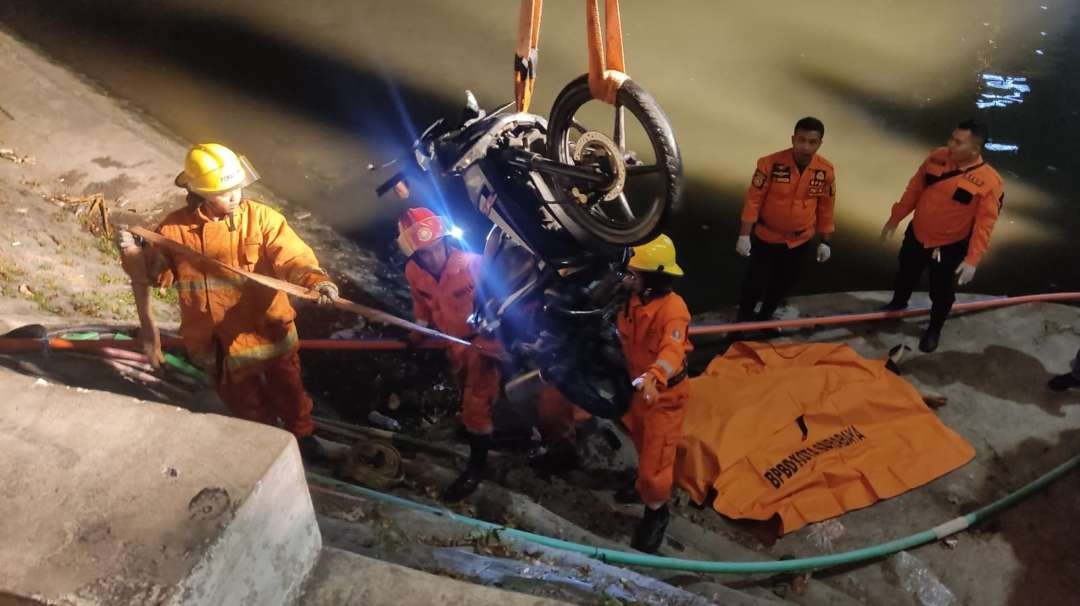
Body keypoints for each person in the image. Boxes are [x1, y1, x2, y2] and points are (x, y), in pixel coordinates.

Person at [116, 143, 338, 461]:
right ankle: (266, 446)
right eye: (224, 192)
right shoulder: (175, 230)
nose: (234, 197)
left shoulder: (262, 220)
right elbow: (157, 276)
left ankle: (302, 438)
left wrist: (316, 281)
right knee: (243, 401)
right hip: (217, 343)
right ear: (200, 193)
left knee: (289, 391)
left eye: (237, 189)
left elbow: (293, 256)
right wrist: (134, 256)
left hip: (268, 331)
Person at [397, 207, 582, 501]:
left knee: (486, 402)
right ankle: (497, 433)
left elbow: (510, 302)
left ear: (445, 242)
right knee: (477, 398)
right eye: (424, 253)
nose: (431, 258)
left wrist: (510, 338)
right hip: (456, 345)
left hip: (491, 342)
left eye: (435, 249)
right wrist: (417, 334)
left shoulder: (476, 265)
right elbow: (422, 305)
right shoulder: (414, 272)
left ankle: (479, 465)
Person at [880, 119, 1004, 353]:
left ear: (974, 150)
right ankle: (898, 304)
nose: (950, 144)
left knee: (941, 292)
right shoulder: (936, 158)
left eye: (958, 142)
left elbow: (985, 224)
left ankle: (934, 328)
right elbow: (913, 190)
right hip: (917, 235)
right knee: (905, 273)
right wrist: (895, 218)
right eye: (951, 138)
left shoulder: (989, 182)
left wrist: (972, 260)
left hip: (948, 246)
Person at [615, 234, 693, 553]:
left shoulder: (673, 311)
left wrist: (656, 375)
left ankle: (657, 512)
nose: (628, 277)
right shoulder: (632, 301)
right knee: (640, 440)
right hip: (639, 389)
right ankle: (644, 489)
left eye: (634, 273)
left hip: (663, 397)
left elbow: (671, 350)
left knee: (655, 466)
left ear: (651, 278)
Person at [735, 117, 835, 325]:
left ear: (819, 144)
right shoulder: (769, 164)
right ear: (793, 139)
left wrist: (825, 241)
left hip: (799, 241)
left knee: (783, 284)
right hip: (766, 237)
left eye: (812, 142)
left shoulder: (825, 171)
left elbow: (826, 207)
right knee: (754, 283)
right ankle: (740, 324)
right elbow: (753, 200)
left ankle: (766, 319)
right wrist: (744, 235)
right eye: (801, 140)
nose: (805, 146)